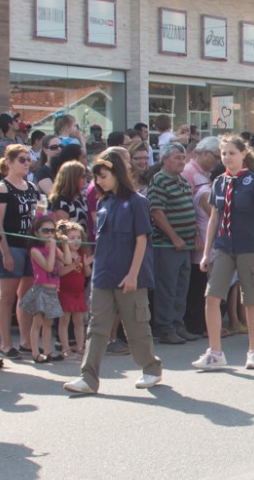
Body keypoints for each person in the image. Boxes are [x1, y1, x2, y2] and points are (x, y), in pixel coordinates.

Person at [62, 153, 163, 394]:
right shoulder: (103, 203)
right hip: (103, 275)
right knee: (96, 327)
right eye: (96, 177)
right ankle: (88, 378)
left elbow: (141, 240)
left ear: (117, 173)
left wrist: (133, 274)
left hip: (130, 275)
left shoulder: (138, 202)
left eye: (103, 176)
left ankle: (151, 367)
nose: (99, 181)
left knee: (136, 325)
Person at [193, 136, 254, 371]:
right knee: (212, 297)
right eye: (224, 153)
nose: (227, 157)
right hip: (224, 247)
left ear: (243, 154)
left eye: (232, 153)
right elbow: (214, 219)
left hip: (249, 247)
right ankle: (215, 352)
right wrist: (206, 252)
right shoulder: (219, 182)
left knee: (251, 299)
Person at [147, 142, 197, 344]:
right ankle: (165, 327)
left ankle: (177, 324)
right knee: (167, 288)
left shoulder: (182, 181)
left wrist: (194, 233)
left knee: (181, 287)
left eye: (183, 157)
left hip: (185, 245)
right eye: (177, 157)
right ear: (165, 159)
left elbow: (189, 208)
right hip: (167, 245)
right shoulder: (159, 180)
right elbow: (156, 211)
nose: (181, 161)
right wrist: (174, 236)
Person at [0, 145, 39, 359]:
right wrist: (5, 252)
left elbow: (36, 216)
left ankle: (25, 341)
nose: (26, 163)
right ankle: (5, 344)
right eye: (22, 159)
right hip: (11, 245)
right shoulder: (2, 188)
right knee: (7, 295)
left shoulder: (31, 187)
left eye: (28, 159)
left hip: (29, 246)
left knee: (26, 296)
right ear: (9, 162)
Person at [20, 214, 70, 363]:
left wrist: (65, 245)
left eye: (52, 230)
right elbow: (48, 267)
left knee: (49, 323)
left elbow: (67, 261)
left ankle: (48, 351)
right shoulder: (35, 250)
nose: (49, 234)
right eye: (45, 231)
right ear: (37, 233)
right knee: (38, 322)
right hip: (41, 289)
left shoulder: (53, 248)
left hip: (52, 291)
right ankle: (36, 353)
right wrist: (53, 248)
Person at [56, 220, 90, 357]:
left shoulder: (81, 254)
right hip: (65, 292)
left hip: (79, 293)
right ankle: (65, 348)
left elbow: (87, 274)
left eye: (78, 237)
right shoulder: (62, 255)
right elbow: (61, 272)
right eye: (72, 238)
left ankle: (80, 346)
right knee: (64, 320)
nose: (76, 240)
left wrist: (86, 265)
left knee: (79, 321)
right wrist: (73, 265)